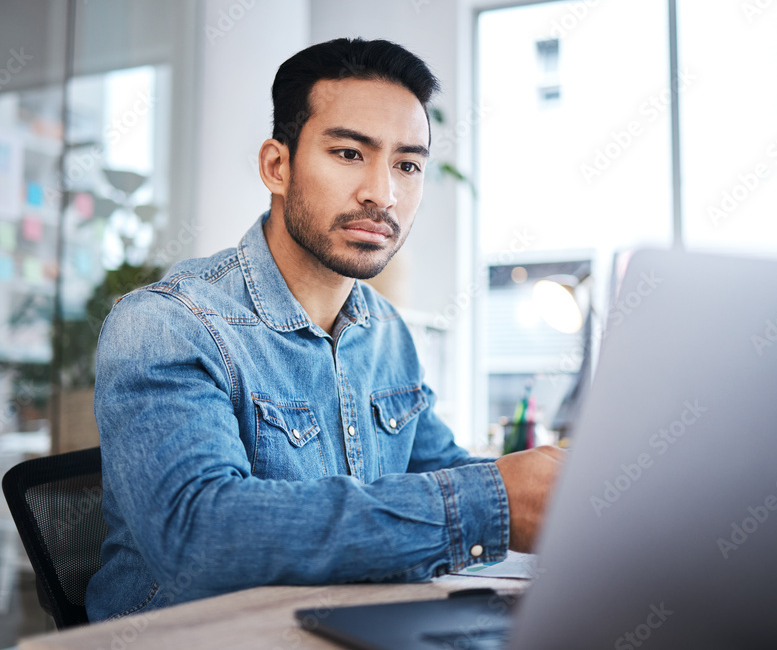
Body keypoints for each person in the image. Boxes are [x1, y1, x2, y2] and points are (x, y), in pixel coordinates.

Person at [86, 37, 564, 622]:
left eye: (407, 165)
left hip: (346, 626)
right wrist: (492, 502)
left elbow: (439, 470)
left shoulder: (385, 329)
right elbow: (200, 536)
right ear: (276, 166)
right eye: (347, 153)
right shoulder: (168, 324)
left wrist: (557, 482)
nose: (381, 193)